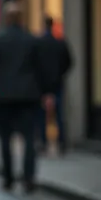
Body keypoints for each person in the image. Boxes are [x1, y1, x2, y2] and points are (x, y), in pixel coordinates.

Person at [0, 1, 47, 194]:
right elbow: (41, 69)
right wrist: (44, 92)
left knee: (5, 139)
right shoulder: (32, 40)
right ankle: (28, 179)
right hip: (28, 96)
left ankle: (8, 178)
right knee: (29, 138)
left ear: (5, 17)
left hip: (3, 96)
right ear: (22, 18)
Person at [37, 16, 72, 155]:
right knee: (59, 114)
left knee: (42, 115)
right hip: (57, 83)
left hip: (42, 85)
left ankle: (44, 143)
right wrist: (60, 74)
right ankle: (62, 143)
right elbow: (69, 62)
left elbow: (35, 64)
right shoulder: (60, 42)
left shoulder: (39, 43)